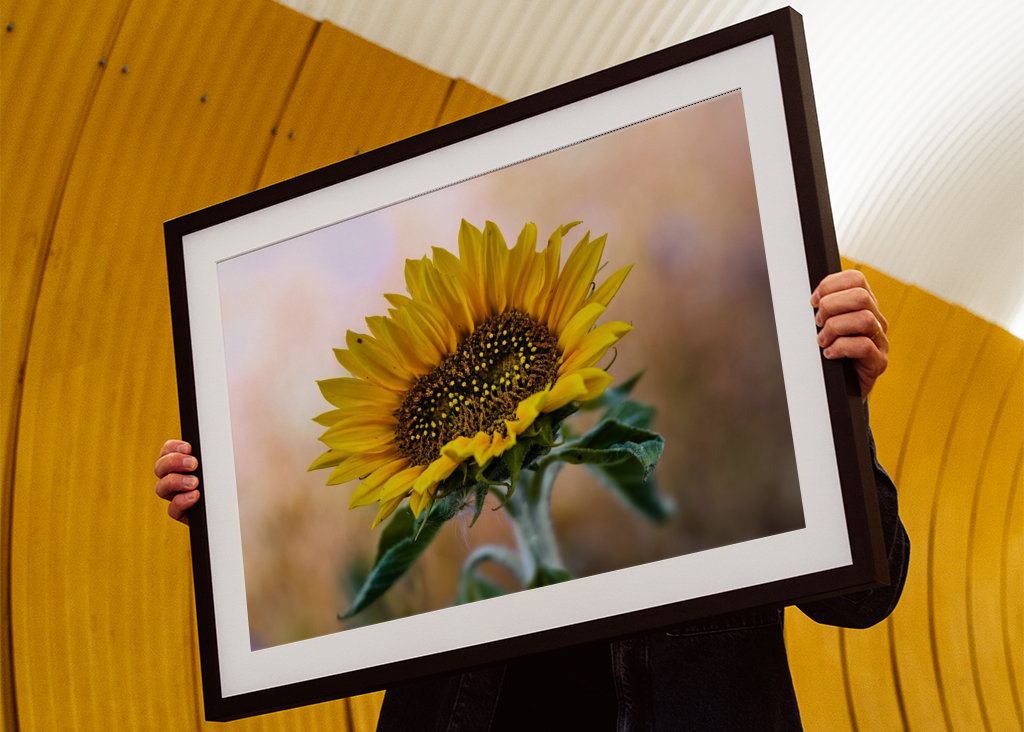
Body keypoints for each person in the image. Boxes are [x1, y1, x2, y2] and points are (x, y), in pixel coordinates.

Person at [154, 270, 909, 730]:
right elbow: (324, 565)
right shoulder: (434, 501)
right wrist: (232, 506)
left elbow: (866, 593)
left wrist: (839, 402)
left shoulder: (735, 420)